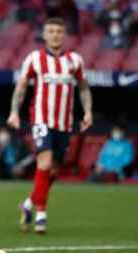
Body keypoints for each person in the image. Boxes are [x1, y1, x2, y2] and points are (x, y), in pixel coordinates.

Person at [7, 17, 94, 234]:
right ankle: (41, 216)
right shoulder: (34, 59)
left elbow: (83, 88)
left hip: (64, 123)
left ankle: (28, 204)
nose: (55, 34)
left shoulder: (75, 60)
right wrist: (14, 112)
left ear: (64, 35)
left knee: (53, 171)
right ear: (44, 35)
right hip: (41, 120)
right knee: (44, 163)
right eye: (51, 31)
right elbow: (21, 87)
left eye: (59, 31)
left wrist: (88, 112)